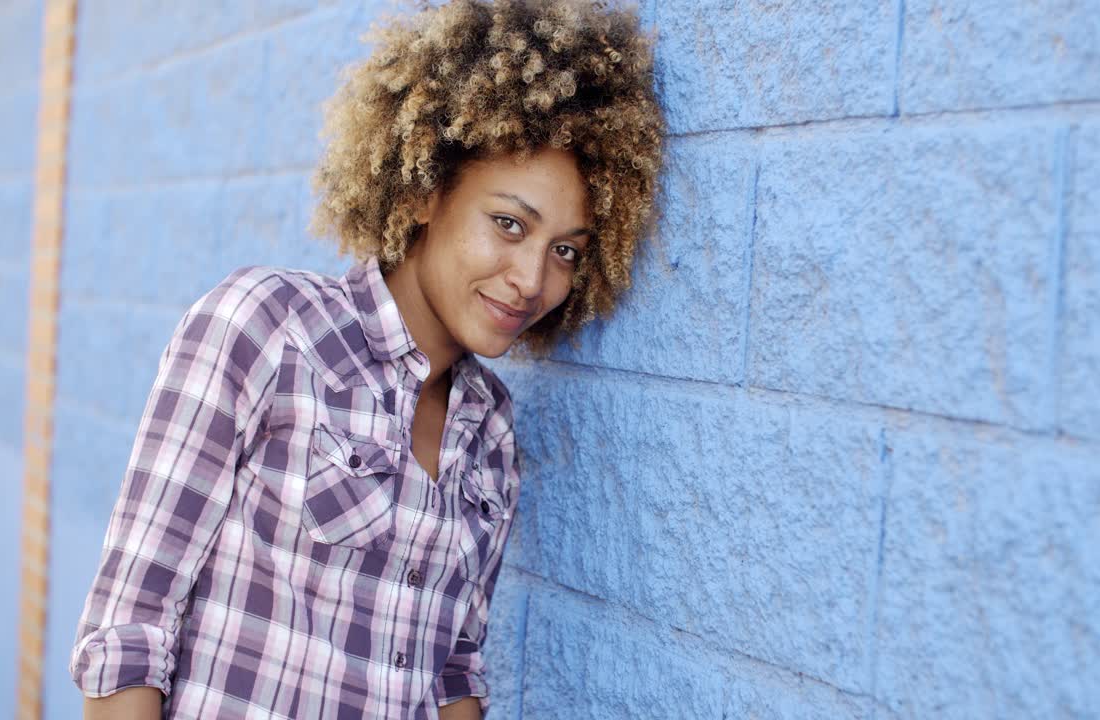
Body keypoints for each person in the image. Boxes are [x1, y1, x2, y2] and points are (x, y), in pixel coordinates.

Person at [68, 0, 665, 717]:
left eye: (564, 250)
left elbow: (455, 670)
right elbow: (131, 629)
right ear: (423, 194)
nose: (532, 279)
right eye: (509, 224)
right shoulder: (266, 327)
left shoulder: (492, 433)